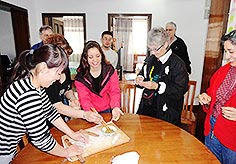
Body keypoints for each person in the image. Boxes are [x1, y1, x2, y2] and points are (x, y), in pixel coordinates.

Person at [0, 44, 88, 164]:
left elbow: (50, 112)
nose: (58, 78)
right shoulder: (28, 94)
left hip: (9, 146)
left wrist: (72, 134)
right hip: (3, 151)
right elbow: (41, 139)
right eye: (57, 73)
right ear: (43, 68)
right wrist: (67, 152)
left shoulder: (35, 86)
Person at [43, 34, 103, 124]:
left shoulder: (65, 68)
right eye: (63, 57)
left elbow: (67, 89)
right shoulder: (48, 77)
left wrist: (72, 98)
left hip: (59, 119)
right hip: (47, 121)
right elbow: (57, 106)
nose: (66, 61)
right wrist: (84, 114)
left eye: (67, 57)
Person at [136, 27, 189, 126]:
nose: (153, 53)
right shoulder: (151, 59)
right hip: (147, 108)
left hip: (167, 113)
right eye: (150, 49)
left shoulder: (177, 64)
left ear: (165, 44)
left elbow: (180, 90)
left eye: (155, 49)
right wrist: (140, 78)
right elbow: (143, 74)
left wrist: (157, 86)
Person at [198, 30, 236, 164]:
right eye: (225, 51)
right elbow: (211, 93)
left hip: (232, 138)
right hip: (212, 129)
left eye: (230, 51)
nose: (227, 56)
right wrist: (206, 99)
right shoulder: (223, 70)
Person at [74, 40, 123, 121]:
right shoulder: (81, 77)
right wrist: (90, 113)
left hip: (108, 109)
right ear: (85, 58)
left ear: (101, 55)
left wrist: (115, 107)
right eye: (90, 57)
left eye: (97, 56)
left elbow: (114, 91)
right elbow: (84, 98)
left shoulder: (110, 70)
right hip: (90, 112)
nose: (95, 60)